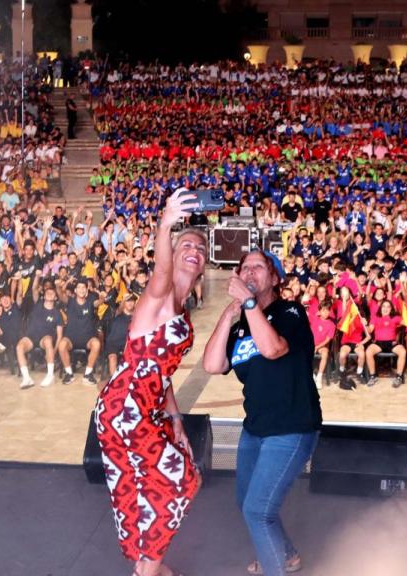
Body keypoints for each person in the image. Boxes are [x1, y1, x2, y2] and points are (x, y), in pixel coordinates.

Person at [94, 189, 205, 576]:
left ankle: (145, 562)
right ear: (172, 254)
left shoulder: (182, 308)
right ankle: (149, 569)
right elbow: (159, 270)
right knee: (182, 482)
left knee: (139, 487)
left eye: (200, 247)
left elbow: (164, 373)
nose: (195, 248)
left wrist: (175, 421)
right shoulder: (159, 295)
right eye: (186, 244)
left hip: (145, 406)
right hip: (126, 406)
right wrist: (166, 223)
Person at [202, 250, 322, 576]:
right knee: (247, 503)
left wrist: (250, 306)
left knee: (258, 512)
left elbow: (272, 349)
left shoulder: (290, 312)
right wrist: (228, 316)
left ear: (275, 278)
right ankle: (288, 556)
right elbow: (213, 364)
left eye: (259, 266)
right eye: (245, 267)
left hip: (291, 427)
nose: (250, 271)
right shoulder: (242, 325)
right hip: (255, 428)